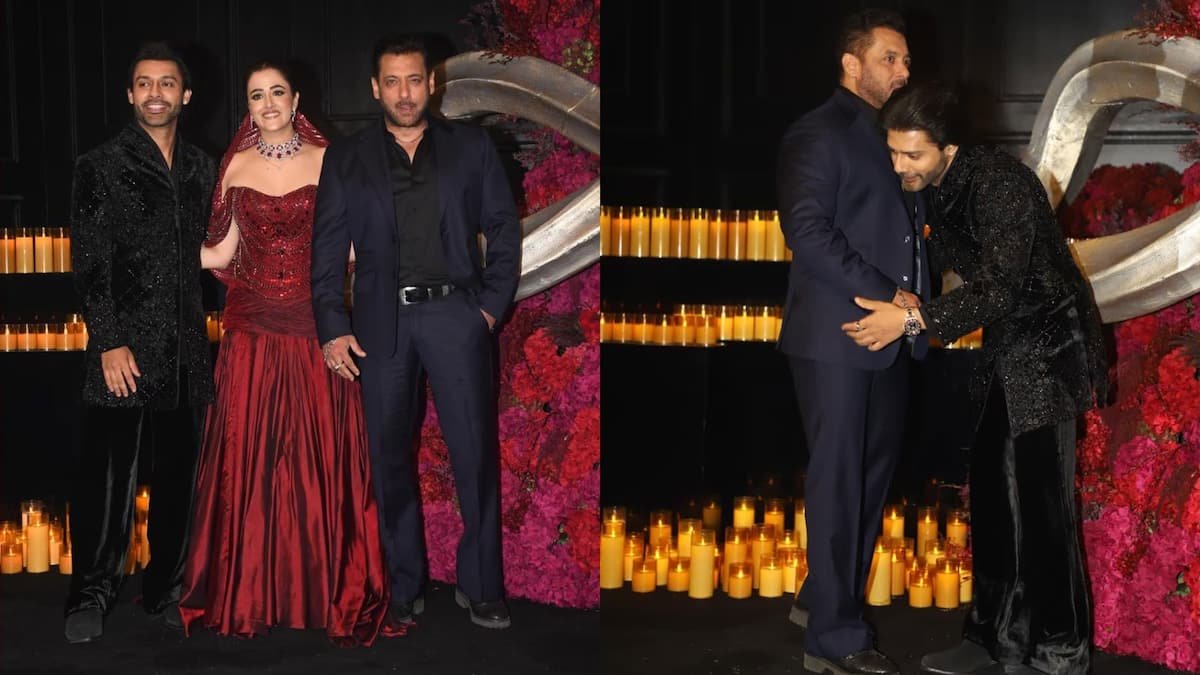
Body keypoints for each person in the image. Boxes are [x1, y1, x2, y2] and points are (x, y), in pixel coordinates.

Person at [848, 82, 1106, 675]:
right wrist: (906, 297)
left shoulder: (999, 183)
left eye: (912, 154)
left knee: (1044, 508)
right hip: (1005, 348)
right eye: (893, 152)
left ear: (948, 147)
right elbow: (951, 271)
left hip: (1049, 347)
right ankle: (992, 637)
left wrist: (908, 320)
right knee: (992, 498)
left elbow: (1001, 288)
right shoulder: (937, 185)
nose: (900, 166)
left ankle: (1059, 650)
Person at [178, 62, 393, 646]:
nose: (268, 103)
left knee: (315, 455)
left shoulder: (330, 161)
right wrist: (157, 249)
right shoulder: (236, 166)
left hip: (313, 324)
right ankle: (250, 590)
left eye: (277, 92)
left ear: (296, 100)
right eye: (257, 95)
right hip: (250, 330)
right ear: (247, 107)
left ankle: (321, 589)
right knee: (251, 457)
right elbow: (221, 253)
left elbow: (355, 248)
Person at [311, 33, 521, 630]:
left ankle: (481, 587)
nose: (404, 93)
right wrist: (332, 327)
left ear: (432, 83)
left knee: (474, 456)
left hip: (457, 317)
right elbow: (326, 251)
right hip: (381, 327)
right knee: (389, 460)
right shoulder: (346, 158)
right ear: (375, 89)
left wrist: (488, 308)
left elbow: (503, 229)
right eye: (392, 82)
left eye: (413, 80)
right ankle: (403, 584)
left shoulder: (472, 147)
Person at [776, 9, 927, 675]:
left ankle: (822, 598)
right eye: (890, 58)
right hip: (837, 337)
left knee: (867, 482)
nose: (903, 70)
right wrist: (890, 294)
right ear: (851, 63)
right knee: (840, 484)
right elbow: (807, 233)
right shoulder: (817, 132)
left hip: (892, 337)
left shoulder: (894, 135)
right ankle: (833, 640)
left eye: (905, 60)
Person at [66, 42, 215, 644]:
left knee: (178, 477)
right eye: (145, 83)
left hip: (185, 349)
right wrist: (107, 340)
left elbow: (215, 250)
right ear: (130, 94)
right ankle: (91, 594)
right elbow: (89, 260)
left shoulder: (203, 167)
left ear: (186, 94)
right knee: (108, 483)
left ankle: (166, 587)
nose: (156, 93)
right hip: (121, 350)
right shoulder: (99, 165)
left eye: (167, 83)